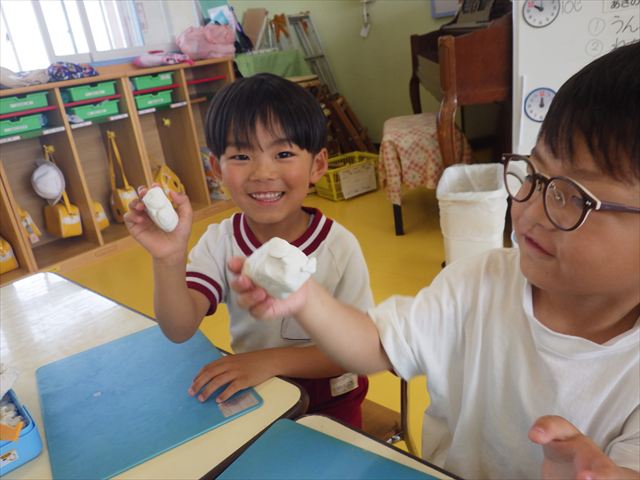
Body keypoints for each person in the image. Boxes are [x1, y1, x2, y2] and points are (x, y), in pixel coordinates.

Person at [230, 43, 640, 479]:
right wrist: (307, 299)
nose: (531, 210)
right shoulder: (479, 282)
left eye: (573, 197)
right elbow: (375, 345)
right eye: (534, 175)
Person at [124, 73, 374, 428]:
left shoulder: (339, 247)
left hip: (331, 400)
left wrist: (270, 361)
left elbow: (358, 351)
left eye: (283, 153)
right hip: (258, 392)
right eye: (241, 155)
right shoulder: (220, 241)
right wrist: (169, 258)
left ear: (317, 165)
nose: (262, 172)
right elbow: (178, 328)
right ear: (217, 168)